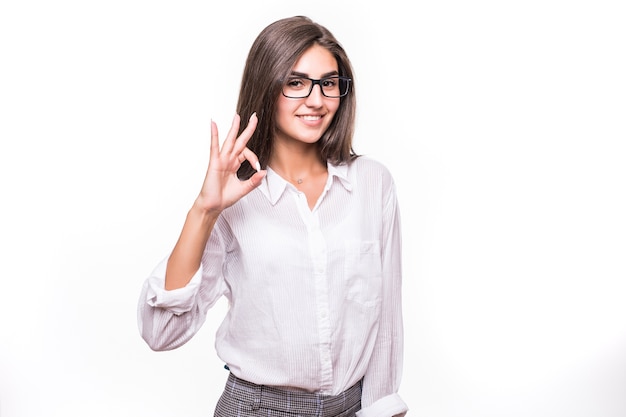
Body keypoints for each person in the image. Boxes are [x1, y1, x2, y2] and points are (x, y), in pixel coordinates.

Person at [137, 15, 408, 417]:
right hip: (258, 409)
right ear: (267, 88)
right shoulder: (235, 199)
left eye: (328, 83)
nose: (316, 100)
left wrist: (382, 409)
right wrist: (204, 211)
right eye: (295, 83)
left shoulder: (373, 184)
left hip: (352, 408)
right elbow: (161, 333)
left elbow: (385, 320)